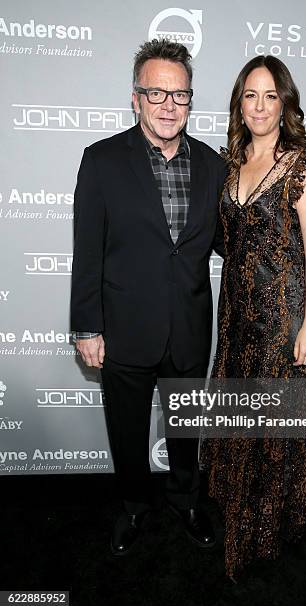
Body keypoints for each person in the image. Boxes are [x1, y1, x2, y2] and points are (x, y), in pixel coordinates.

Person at [70, 39, 226, 556]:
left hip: (188, 326)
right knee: (128, 431)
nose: (167, 105)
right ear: (135, 97)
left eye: (178, 95)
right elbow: (87, 249)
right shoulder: (102, 160)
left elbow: (231, 241)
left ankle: (186, 500)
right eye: (155, 93)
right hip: (124, 328)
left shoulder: (212, 164)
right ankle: (135, 507)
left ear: (190, 101)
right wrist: (87, 327)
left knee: (184, 430)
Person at [200, 55, 306, 581]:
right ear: (239, 103)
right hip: (234, 316)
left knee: (270, 428)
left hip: (282, 320)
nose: (259, 105)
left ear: (285, 104)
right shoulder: (228, 165)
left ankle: (264, 532)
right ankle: (236, 511)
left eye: (270, 95)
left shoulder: (303, 165)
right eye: (250, 95)